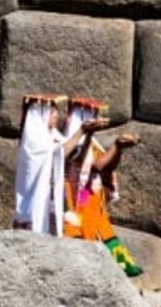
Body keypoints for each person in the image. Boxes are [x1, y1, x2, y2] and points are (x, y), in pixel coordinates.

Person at [61, 96, 142, 277]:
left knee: (100, 228)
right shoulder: (69, 143)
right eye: (92, 115)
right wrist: (90, 135)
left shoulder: (93, 144)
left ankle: (114, 270)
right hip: (76, 196)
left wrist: (118, 149)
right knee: (82, 232)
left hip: (90, 195)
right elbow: (92, 165)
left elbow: (103, 167)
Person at [13, 94, 107, 235]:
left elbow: (73, 157)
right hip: (43, 203)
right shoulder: (34, 142)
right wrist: (82, 131)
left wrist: (87, 134)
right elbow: (59, 155)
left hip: (77, 197)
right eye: (52, 112)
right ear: (40, 115)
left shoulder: (54, 136)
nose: (57, 115)